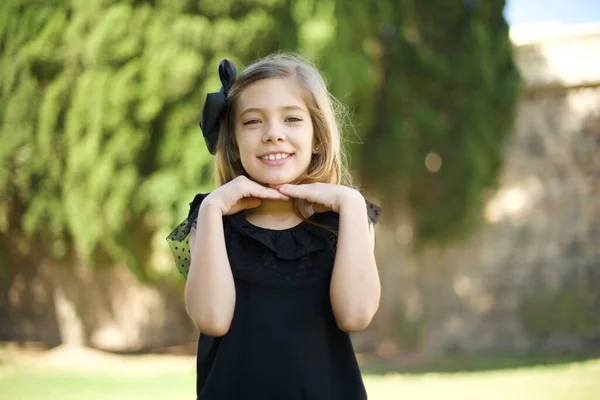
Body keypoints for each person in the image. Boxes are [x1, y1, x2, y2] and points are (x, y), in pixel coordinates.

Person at [167, 52, 382, 400]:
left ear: (317, 137)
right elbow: (212, 319)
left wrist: (351, 203)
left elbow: (355, 316)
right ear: (234, 142)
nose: (273, 135)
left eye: (292, 119)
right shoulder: (211, 219)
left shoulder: (348, 220)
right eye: (252, 122)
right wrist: (211, 209)